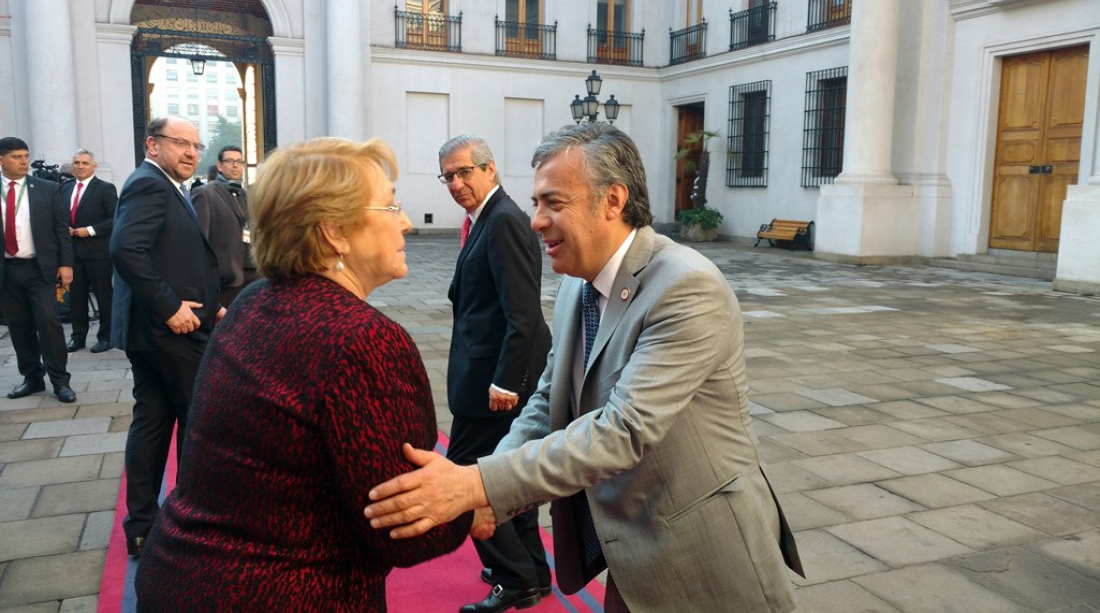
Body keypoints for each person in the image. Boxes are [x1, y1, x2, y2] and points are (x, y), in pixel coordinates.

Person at [365, 123, 804, 613]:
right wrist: (489, 489)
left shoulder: (686, 286)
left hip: (703, 555)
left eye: (553, 203)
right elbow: (548, 401)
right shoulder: (578, 282)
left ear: (612, 200)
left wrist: (475, 483)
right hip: (631, 552)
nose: (535, 220)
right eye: (535, 203)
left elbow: (623, 431)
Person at [134, 136, 472, 612]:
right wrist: (471, 501)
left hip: (180, 579)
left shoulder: (255, 301)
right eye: (391, 206)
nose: (407, 223)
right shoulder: (362, 340)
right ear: (335, 231)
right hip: (281, 594)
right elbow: (406, 530)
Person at [439, 135, 552, 613]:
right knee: (508, 475)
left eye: (465, 171)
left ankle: (517, 577)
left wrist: (506, 381)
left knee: (464, 478)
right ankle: (531, 569)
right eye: (448, 176)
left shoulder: (503, 220)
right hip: (487, 375)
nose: (457, 183)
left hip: (498, 383)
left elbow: (523, 313)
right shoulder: (484, 218)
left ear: (490, 169)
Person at [110, 115, 224, 558]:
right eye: (180, 143)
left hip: (161, 330)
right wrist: (171, 306)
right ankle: (191, 522)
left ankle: (143, 526)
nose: (192, 153)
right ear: (152, 145)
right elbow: (125, 249)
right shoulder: (150, 184)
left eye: (196, 145)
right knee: (197, 424)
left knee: (153, 424)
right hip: (170, 332)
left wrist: (207, 300)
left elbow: (169, 253)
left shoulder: (162, 185)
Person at [0, 137, 76, 403]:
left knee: (49, 324)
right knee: (19, 327)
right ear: (1, 159)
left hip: (39, 270)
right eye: (16, 157)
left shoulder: (45, 189)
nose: (24, 162)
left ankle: (60, 381)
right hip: (7, 272)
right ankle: (32, 377)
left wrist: (66, 264)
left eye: (25, 156)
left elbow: (60, 230)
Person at [61, 149, 118, 354]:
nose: (80, 166)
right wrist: (64, 226)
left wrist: (91, 231)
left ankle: (106, 337)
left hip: (98, 253)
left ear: (93, 166)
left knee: (104, 296)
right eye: (76, 162)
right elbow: (59, 214)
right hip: (72, 253)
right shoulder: (65, 188)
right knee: (76, 298)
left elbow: (114, 218)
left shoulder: (105, 188)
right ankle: (78, 338)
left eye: (85, 163)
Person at [192, 145, 257, 306]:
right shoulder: (205, 193)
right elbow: (199, 242)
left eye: (239, 161)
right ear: (220, 165)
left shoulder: (247, 195)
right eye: (230, 161)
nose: (235, 165)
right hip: (226, 279)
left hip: (253, 273)